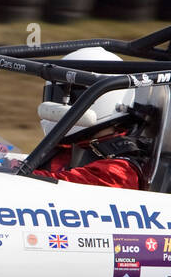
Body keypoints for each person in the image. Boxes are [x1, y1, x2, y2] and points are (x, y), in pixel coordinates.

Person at [31, 50, 148, 190]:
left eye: (68, 97)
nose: (57, 105)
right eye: (55, 95)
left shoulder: (119, 173)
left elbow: (57, 187)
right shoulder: (70, 146)